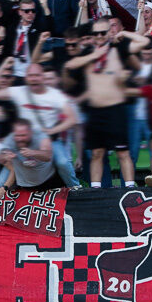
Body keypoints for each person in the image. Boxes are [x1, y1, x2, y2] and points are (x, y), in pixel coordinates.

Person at [64, 18, 138, 188]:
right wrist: (94, 55)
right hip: (95, 111)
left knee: (123, 153)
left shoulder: (118, 49)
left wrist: (124, 33)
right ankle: (96, 190)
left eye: (102, 33)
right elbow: (70, 64)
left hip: (116, 109)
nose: (99, 36)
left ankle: (130, 189)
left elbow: (145, 42)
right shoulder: (88, 53)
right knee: (97, 153)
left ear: (109, 32)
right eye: (95, 33)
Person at [0, 62, 79, 187]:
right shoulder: (19, 91)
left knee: (62, 163)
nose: (33, 78)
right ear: (25, 78)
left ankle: (76, 189)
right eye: (30, 76)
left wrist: (54, 130)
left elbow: (72, 119)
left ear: (42, 77)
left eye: (37, 75)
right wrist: (1, 67)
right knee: (2, 182)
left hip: (48, 141)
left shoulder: (54, 95)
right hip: (22, 140)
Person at [0, 118, 63, 191]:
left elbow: (48, 156)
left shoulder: (41, 136)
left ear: (31, 132)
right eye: (17, 135)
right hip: (23, 185)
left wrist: (33, 152)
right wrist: (5, 156)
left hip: (47, 182)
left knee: (64, 164)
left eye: (23, 135)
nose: (20, 139)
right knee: (1, 183)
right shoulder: (10, 138)